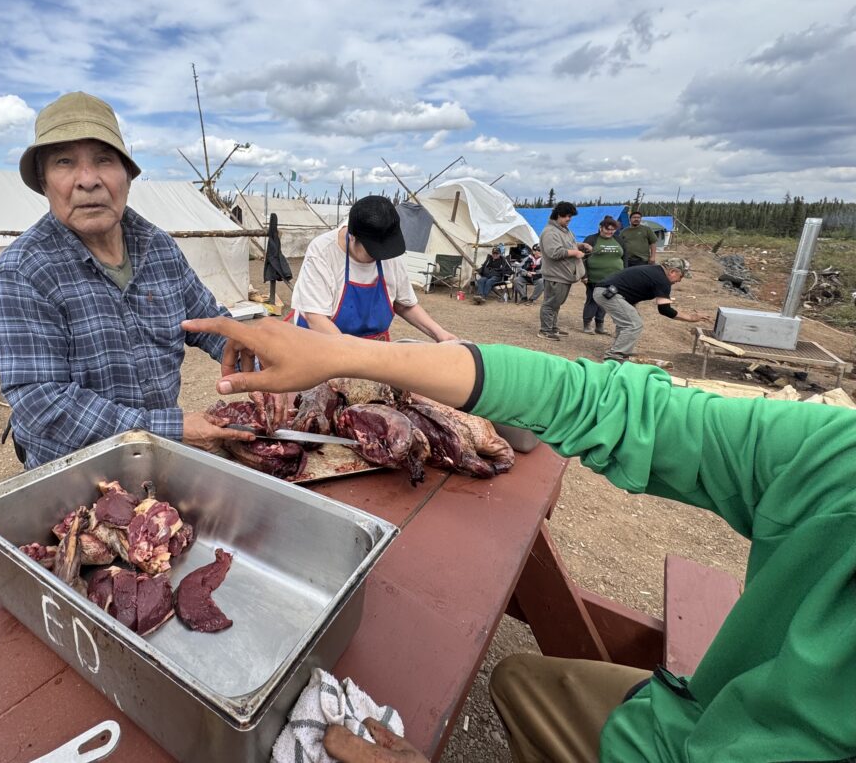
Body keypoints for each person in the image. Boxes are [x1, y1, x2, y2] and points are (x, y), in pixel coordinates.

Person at [181, 314, 856, 763]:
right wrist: (352, 355)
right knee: (519, 679)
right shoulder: (841, 461)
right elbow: (608, 402)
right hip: (690, 715)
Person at [0, 92, 256, 468]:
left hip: (156, 460)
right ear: (43, 180)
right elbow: (40, 402)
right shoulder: (24, 270)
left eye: (104, 160)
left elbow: (210, 323)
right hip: (76, 472)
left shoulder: (157, 247)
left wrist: (261, 369)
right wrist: (172, 428)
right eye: (65, 162)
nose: (88, 181)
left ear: (127, 176)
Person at [287, 195, 457, 341]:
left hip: (369, 346)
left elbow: (405, 305)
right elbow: (315, 317)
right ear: (352, 237)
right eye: (373, 251)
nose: (380, 256)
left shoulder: (389, 253)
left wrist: (440, 334)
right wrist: (357, 357)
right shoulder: (323, 252)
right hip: (321, 340)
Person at [597, 258, 711, 362]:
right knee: (633, 323)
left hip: (608, 291)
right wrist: (691, 318)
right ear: (672, 272)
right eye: (681, 276)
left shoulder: (655, 272)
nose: (680, 281)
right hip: (608, 293)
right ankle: (614, 356)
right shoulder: (662, 279)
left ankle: (622, 351)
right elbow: (665, 309)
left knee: (628, 321)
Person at [539, 201, 591, 340]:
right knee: (551, 303)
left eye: (570, 216)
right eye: (567, 216)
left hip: (564, 274)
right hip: (556, 274)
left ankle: (553, 327)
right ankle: (545, 330)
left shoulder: (564, 230)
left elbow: (568, 245)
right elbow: (554, 252)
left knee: (557, 303)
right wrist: (575, 253)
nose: (569, 219)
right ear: (558, 215)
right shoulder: (550, 232)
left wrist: (581, 246)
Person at [581, 216, 625, 335]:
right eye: (607, 229)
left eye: (613, 229)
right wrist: (584, 274)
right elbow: (582, 258)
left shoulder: (618, 240)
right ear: (600, 228)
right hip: (595, 278)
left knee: (606, 300)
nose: (610, 232)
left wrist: (625, 273)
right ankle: (587, 324)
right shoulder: (591, 239)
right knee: (592, 299)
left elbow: (624, 257)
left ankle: (599, 325)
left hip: (614, 278)